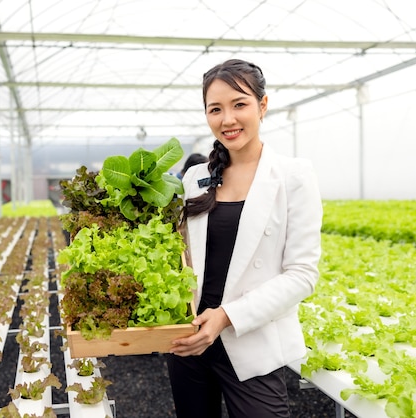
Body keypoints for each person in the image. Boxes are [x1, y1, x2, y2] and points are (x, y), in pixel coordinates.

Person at [167, 58, 323, 417]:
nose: (228, 119)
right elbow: (180, 257)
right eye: (215, 109)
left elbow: (302, 274)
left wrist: (225, 316)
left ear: (263, 105)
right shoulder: (195, 177)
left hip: (250, 339)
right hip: (190, 338)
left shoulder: (293, 176)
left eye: (240, 105)